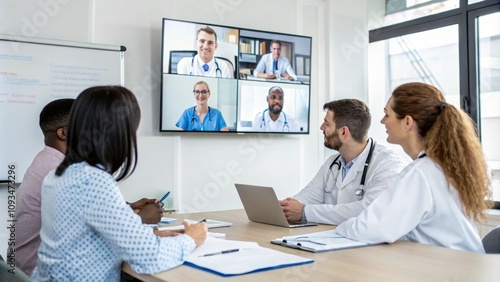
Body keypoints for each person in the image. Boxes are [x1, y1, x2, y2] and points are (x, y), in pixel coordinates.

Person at [31, 86, 208, 280]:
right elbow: (150, 257)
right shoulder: (93, 181)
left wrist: (151, 238)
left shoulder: (58, 175)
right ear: (118, 134)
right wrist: (191, 238)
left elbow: (89, 238)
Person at [9, 99, 164, 277]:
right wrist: (140, 218)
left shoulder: (48, 160)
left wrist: (127, 209)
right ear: (64, 133)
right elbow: (100, 235)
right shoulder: (62, 172)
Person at [335, 82, 491, 253]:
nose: (382, 121)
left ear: (407, 122)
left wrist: (341, 227)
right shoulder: (446, 166)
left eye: (387, 114)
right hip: (464, 265)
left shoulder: (421, 173)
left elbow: (368, 229)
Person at [280, 99, 408, 225]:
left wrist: (305, 212)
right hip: (334, 239)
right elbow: (304, 199)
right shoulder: (332, 163)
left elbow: (369, 211)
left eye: (326, 123)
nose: (321, 127)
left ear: (343, 132)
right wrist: (280, 207)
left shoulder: (388, 164)